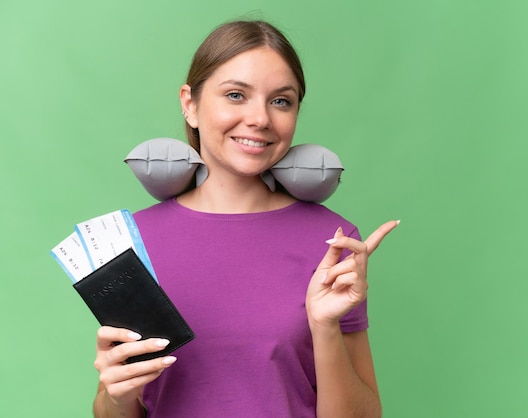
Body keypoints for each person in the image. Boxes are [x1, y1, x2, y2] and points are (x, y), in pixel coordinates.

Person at [92, 19, 398, 418]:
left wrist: (324, 327)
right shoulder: (132, 242)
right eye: (236, 95)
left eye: (281, 101)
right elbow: (114, 409)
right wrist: (116, 397)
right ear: (190, 104)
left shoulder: (332, 241)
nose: (260, 119)